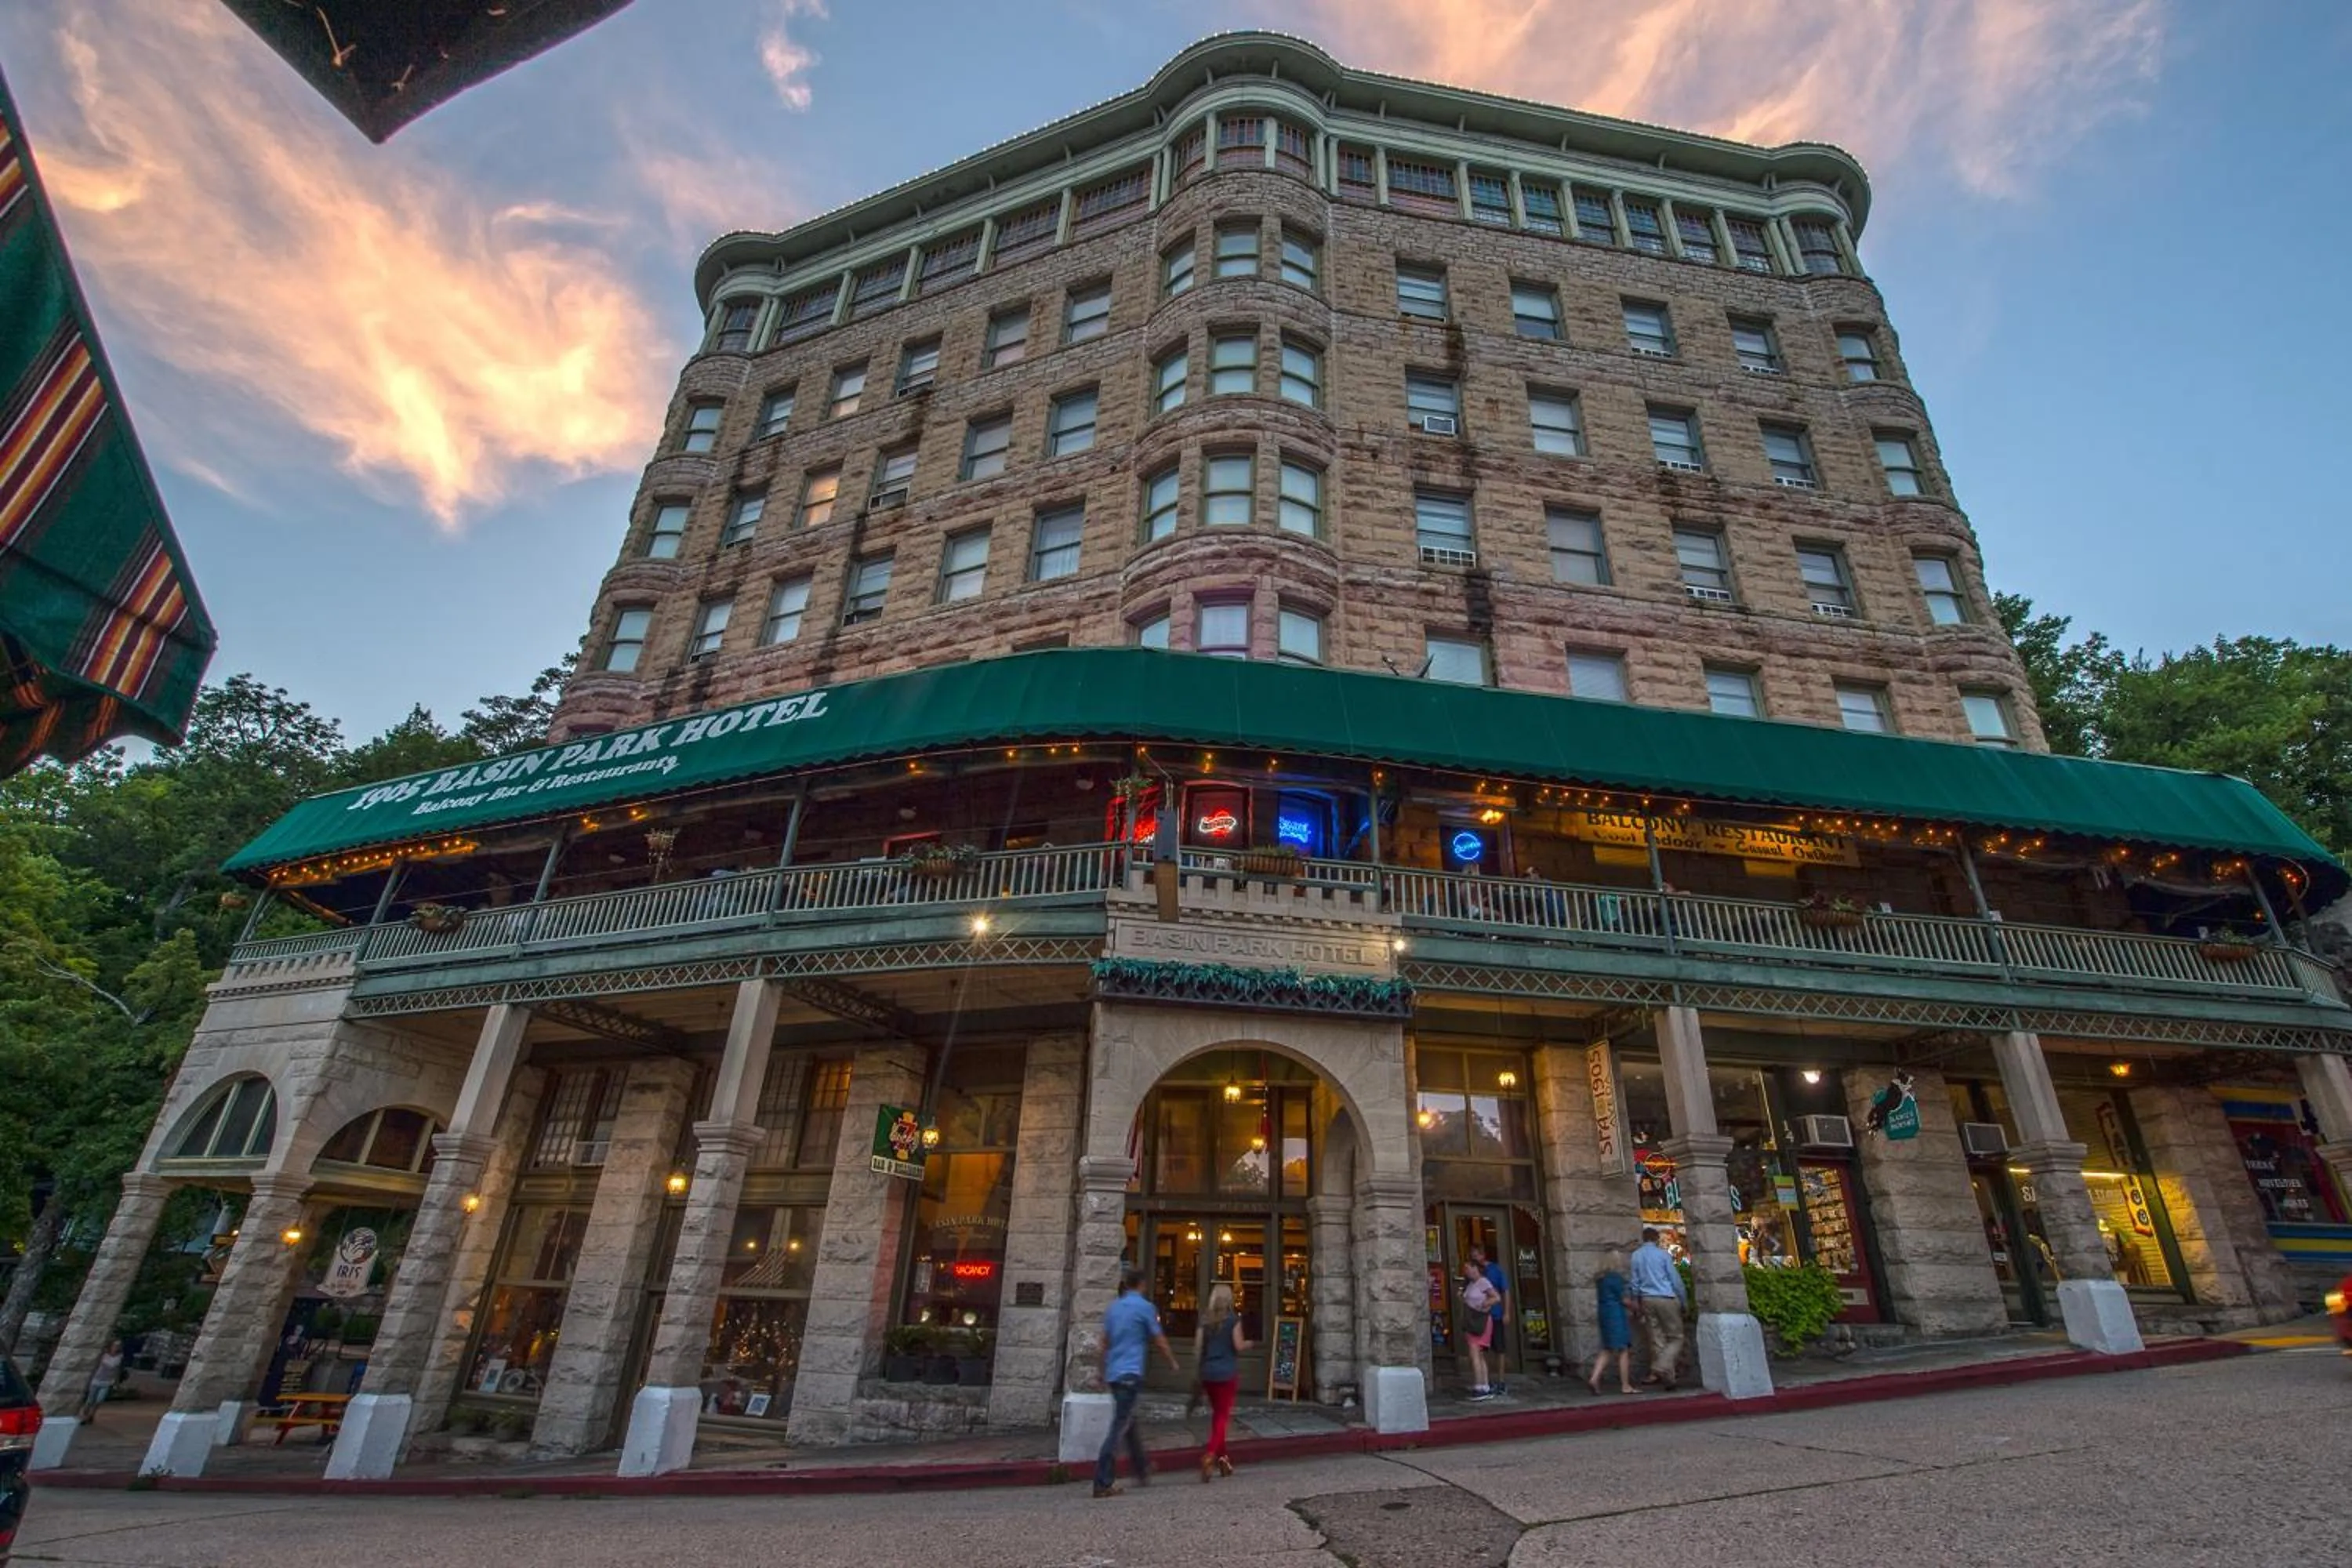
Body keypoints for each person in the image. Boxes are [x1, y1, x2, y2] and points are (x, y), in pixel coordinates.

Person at [1094, 1264, 1181, 1499]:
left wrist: (1100, 1371)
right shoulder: (1145, 1308)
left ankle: (1142, 1468)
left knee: (1128, 1421)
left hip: (1114, 1373)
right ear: (1142, 1284)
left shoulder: (1114, 1308)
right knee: (1120, 1426)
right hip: (1130, 1373)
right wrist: (1172, 1362)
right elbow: (1159, 1339)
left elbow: (1104, 1343)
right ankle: (1102, 1481)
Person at [1194, 1283, 1252, 1482]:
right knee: (1222, 1417)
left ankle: (1224, 1460)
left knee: (1217, 1417)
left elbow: (1198, 1348)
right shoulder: (1233, 1320)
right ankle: (1210, 1454)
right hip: (1227, 1374)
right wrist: (1249, 1344)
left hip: (1209, 1374)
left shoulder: (1205, 1321)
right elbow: (1238, 1345)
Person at [1628, 1226, 1687, 1392]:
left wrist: (1635, 1301)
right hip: (1666, 1296)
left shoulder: (1636, 1256)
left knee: (1657, 1338)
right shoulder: (1663, 1255)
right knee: (1676, 1337)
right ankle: (1662, 1366)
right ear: (1656, 1239)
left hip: (1647, 1298)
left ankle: (1669, 1378)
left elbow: (1634, 1282)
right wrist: (1684, 1301)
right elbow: (1675, 1280)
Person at [1587, 1250, 1636, 1395]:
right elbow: (1624, 1300)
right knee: (1623, 1349)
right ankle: (1625, 1385)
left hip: (1604, 1313)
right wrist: (1635, 1306)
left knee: (1607, 1348)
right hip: (1616, 1314)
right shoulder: (1615, 1278)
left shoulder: (1600, 1279)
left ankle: (1594, 1378)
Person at [1470, 1244, 1509, 1395]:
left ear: (1482, 1255)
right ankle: (1487, 1380)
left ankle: (1501, 1381)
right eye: (1472, 1256)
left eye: (1476, 1255)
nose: (1474, 1258)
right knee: (1481, 1349)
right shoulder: (1473, 1273)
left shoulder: (1495, 1270)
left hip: (1495, 1314)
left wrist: (1507, 1312)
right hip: (1480, 1317)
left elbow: (1505, 1291)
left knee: (1499, 1348)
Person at [1459, 1258, 1501, 1401]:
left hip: (1480, 1320)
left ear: (1475, 1268)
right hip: (1471, 1320)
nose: (1466, 1271)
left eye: (1467, 1268)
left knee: (1475, 1352)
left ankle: (1479, 1386)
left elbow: (1496, 1297)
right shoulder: (1470, 1284)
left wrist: (1484, 1305)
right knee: (1479, 1354)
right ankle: (1484, 1385)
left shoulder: (1483, 1282)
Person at [79, 1338, 125, 1424]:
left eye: (118, 1346)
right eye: (115, 1346)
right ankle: (84, 1415)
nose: (116, 1348)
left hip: (107, 1381)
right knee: (90, 1400)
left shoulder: (120, 1357)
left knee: (99, 1400)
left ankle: (91, 1416)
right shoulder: (104, 1355)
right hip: (97, 1379)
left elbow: (117, 1370)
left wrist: (116, 1382)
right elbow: (95, 1366)